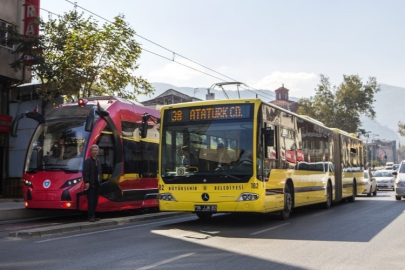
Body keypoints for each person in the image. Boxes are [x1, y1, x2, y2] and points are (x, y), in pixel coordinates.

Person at [82, 144, 102, 222]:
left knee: (95, 201)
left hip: (97, 184)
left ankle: (93, 215)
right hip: (91, 184)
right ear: (91, 152)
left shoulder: (98, 160)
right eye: (93, 150)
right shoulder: (88, 161)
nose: (95, 152)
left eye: (96, 150)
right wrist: (87, 181)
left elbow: (100, 171)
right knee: (91, 201)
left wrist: (100, 180)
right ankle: (90, 216)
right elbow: (85, 173)